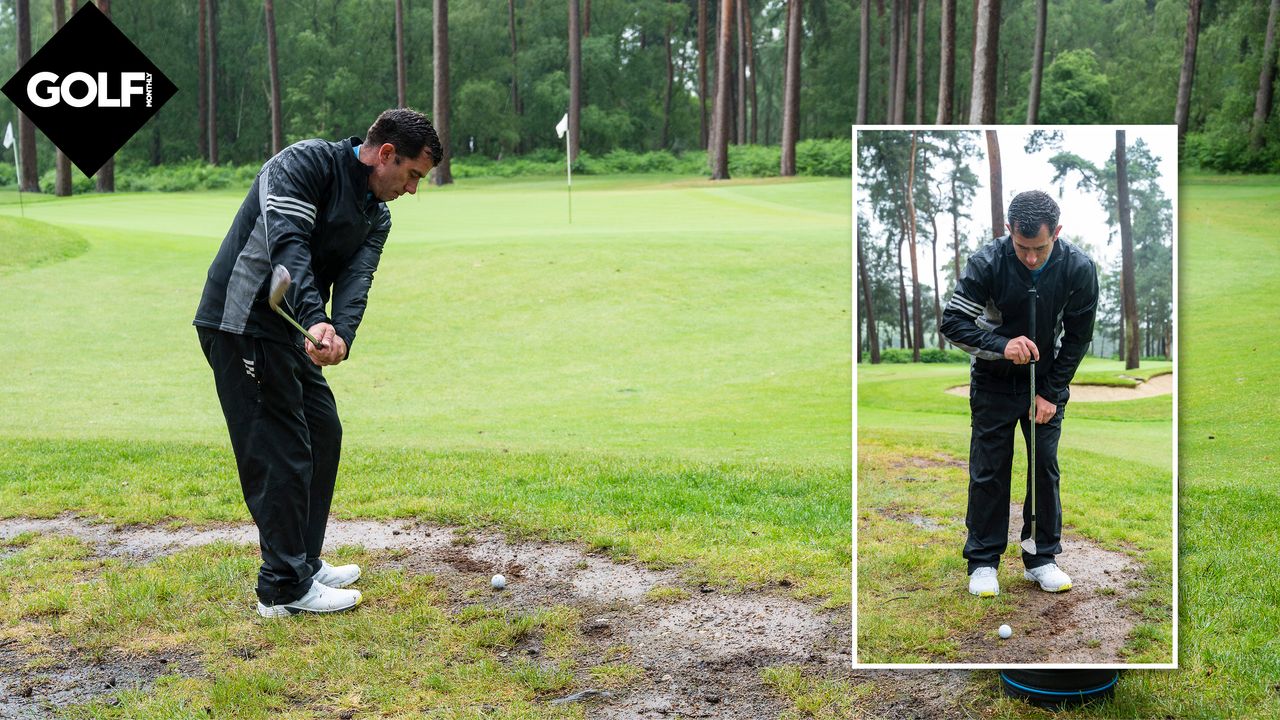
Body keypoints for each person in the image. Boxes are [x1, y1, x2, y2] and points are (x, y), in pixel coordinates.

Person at [193, 108, 443, 617]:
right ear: (387, 154)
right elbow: (290, 247)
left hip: (291, 331)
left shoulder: (377, 214)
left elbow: (357, 280)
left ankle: (302, 560)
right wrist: (315, 316)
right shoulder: (303, 164)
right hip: (240, 323)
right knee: (280, 449)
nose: (413, 189)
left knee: (322, 432)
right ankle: (283, 588)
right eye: (413, 174)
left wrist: (341, 335)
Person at [939, 190, 1098, 598]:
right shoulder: (987, 262)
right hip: (993, 382)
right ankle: (983, 563)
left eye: (1040, 248)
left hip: (1044, 387)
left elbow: (1078, 338)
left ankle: (1041, 558)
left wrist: (1050, 391)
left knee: (1043, 467)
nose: (1031, 257)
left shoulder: (1078, 268)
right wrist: (1001, 346)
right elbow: (953, 322)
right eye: (1023, 247)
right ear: (1008, 231)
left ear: (1057, 233)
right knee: (989, 469)